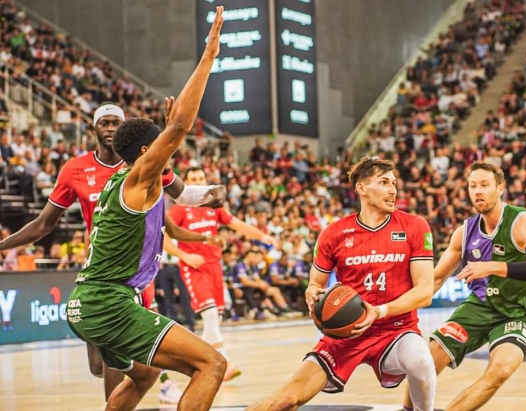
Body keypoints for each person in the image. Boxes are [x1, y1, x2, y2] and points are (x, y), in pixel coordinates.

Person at [64, 7, 226, 411]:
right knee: (212, 364)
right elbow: (180, 129)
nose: (167, 152)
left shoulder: (128, 183)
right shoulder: (139, 178)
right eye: (159, 147)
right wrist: (208, 56)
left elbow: (178, 194)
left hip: (90, 301)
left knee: (146, 375)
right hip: (108, 302)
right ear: (144, 152)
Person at [246, 157, 437, 411]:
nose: (393, 190)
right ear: (361, 188)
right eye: (384, 182)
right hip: (344, 333)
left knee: (421, 361)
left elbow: (425, 292)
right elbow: (315, 283)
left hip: (396, 329)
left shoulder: (414, 226)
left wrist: (379, 311)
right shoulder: (333, 233)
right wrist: (314, 295)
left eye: (394, 183)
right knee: (287, 398)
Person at [402, 161, 526, 411]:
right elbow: (436, 279)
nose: (478, 191)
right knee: (425, 359)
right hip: (479, 306)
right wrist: (397, 310)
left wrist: (492, 266)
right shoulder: (464, 232)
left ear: (500, 188)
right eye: (473, 186)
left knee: (500, 371)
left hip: (517, 314)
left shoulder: (521, 221)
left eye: (484, 185)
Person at [164, 166, 280, 382]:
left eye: (201, 178)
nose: (198, 182)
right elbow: (163, 236)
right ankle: (223, 363)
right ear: (186, 183)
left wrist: (263, 237)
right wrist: (184, 255)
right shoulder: (180, 209)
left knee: (214, 320)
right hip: (194, 267)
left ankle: (198, 365)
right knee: (208, 315)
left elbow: (238, 224)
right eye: (193, 179)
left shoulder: (213, 206)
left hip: (215, 266)